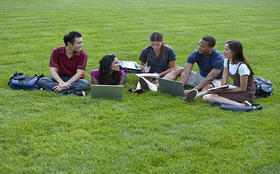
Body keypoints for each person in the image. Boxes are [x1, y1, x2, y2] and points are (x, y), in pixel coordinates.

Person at [202, 40, 256, 106]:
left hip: (245, 93)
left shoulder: (242, 67)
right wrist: (219, 90)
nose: (223, 52)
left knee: (207, 97)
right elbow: (224, 81)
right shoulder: (227, 61)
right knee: (210, 91)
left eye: (226, 50)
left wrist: (222, 91)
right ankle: (192, 94)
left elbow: (243, 88)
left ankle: (242, 105)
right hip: (234, 88)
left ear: (234, 52)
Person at [38, 31, 90, 96]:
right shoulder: (56, 51)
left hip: (75, 80)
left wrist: (66, 84)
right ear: (69, 44)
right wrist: (61, 82)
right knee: (42, 80)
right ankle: (71, 92)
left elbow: (79, 73)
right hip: (60, 78)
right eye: (79, 43)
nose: (81, 45)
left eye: (81, 42)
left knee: (85, 84)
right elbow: (52, 69)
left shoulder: (83, 55)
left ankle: (50, 88)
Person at [179, 36, 224, 101]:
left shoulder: (218, 58)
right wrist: (181, 86)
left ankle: (195, 94)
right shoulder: (194, 54)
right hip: (201, 77)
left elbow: (209, 79)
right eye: (199, 44)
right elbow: (186, 72)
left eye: (202, 46)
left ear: (210, 48)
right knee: (178, 70)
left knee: (207, 87)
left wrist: (192, 90)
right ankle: (159, 86)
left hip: (215, 80)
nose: (199, 48)